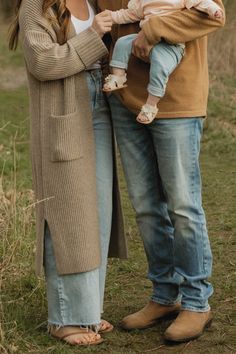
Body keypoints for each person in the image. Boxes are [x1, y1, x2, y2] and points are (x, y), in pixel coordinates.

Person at [98, 0, 225, 343]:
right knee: (145, 205)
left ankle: (197, 302)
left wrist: (154, 30)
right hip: (125, 99)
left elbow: (213, 16)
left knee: (182, 206)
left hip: (176, 98)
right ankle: (165, 295)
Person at [9, 0, 127, 346]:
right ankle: (64, 318)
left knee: (97, 212)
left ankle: (86, 311)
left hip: (99, 108)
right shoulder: (36, 5)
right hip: (64, 113)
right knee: (68, 214)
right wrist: (92, 35)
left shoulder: (92, 1)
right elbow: (42, 61)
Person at [103, 0, 223, 124]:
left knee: (159, 67)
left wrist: (214, 10)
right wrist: (111, 16)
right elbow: (130, 14)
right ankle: (118, 77)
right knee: (122, 43)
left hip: (171, 45)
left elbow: (203, 3)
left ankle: (151, 105)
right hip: (126, 97)